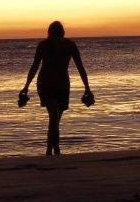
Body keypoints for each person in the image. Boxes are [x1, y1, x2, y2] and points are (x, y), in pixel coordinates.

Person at [20, 21, 93, 155]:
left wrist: (87, 88)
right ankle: (54, 150)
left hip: (62, 86)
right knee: (53, 115)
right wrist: (26, 86)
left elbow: (80, 67)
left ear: (62, 34)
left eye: (57, 35)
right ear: (49, 34)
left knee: (56, 119)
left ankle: (50, 149)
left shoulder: (70, 45)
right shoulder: (43, 46)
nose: (55, 39)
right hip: (45, 84)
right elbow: (35, 66)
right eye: (53, 35)